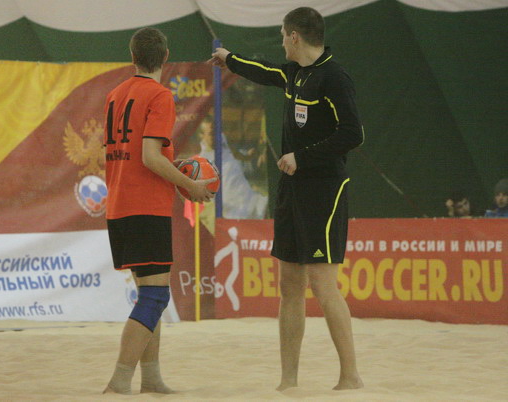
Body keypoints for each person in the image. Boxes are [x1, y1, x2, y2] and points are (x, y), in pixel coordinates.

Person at [210, 7, 364, 391]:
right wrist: (229, 59)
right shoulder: (295, 73)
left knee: (323, 284)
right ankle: (288, 381)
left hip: (324, 190)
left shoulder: (334, 76)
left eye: (282, 35)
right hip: (291, 189)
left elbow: (353, 134)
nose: (281, 42)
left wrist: (303, 157)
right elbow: (264, 70)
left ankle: (351, 377)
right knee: (289, 284)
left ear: (294, 36)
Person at [102, 27, 215, 395]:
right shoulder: (160, 95)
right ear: (165, 58)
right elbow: (149, 157)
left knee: (150, 295)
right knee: (155, 298)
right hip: (145, 207)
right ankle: (119, 381)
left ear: (132, 56)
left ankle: (150, 378)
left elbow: (137, 154)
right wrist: (189, 185)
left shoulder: (116, 95)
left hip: (120, 205)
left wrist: (173, 166)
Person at [196, 117, 268, 219]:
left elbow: (234, 152)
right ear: (202, 135)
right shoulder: (202, 162)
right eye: (212, 133)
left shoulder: (222, 140)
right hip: (234, 210)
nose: (216, 136)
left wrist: (247, 156)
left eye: (217, 131)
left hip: (250, 197)